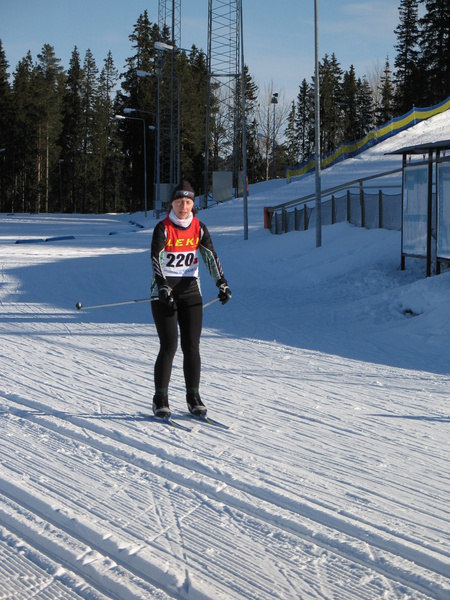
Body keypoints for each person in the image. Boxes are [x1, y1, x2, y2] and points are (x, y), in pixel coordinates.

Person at [150, 180, 232, 419]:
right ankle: (160, 398)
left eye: (187, 202)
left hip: (191, 291)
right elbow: (156, 259)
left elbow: (210, 257)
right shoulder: (163, 228)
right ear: (172, 204)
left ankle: (193, 397)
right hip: (164, 292)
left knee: (192, 346)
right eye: (179, 202)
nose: (183, 207)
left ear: (192, 204)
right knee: (169, 345)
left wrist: (221, 282)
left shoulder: (199, 228)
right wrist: (162, 286)